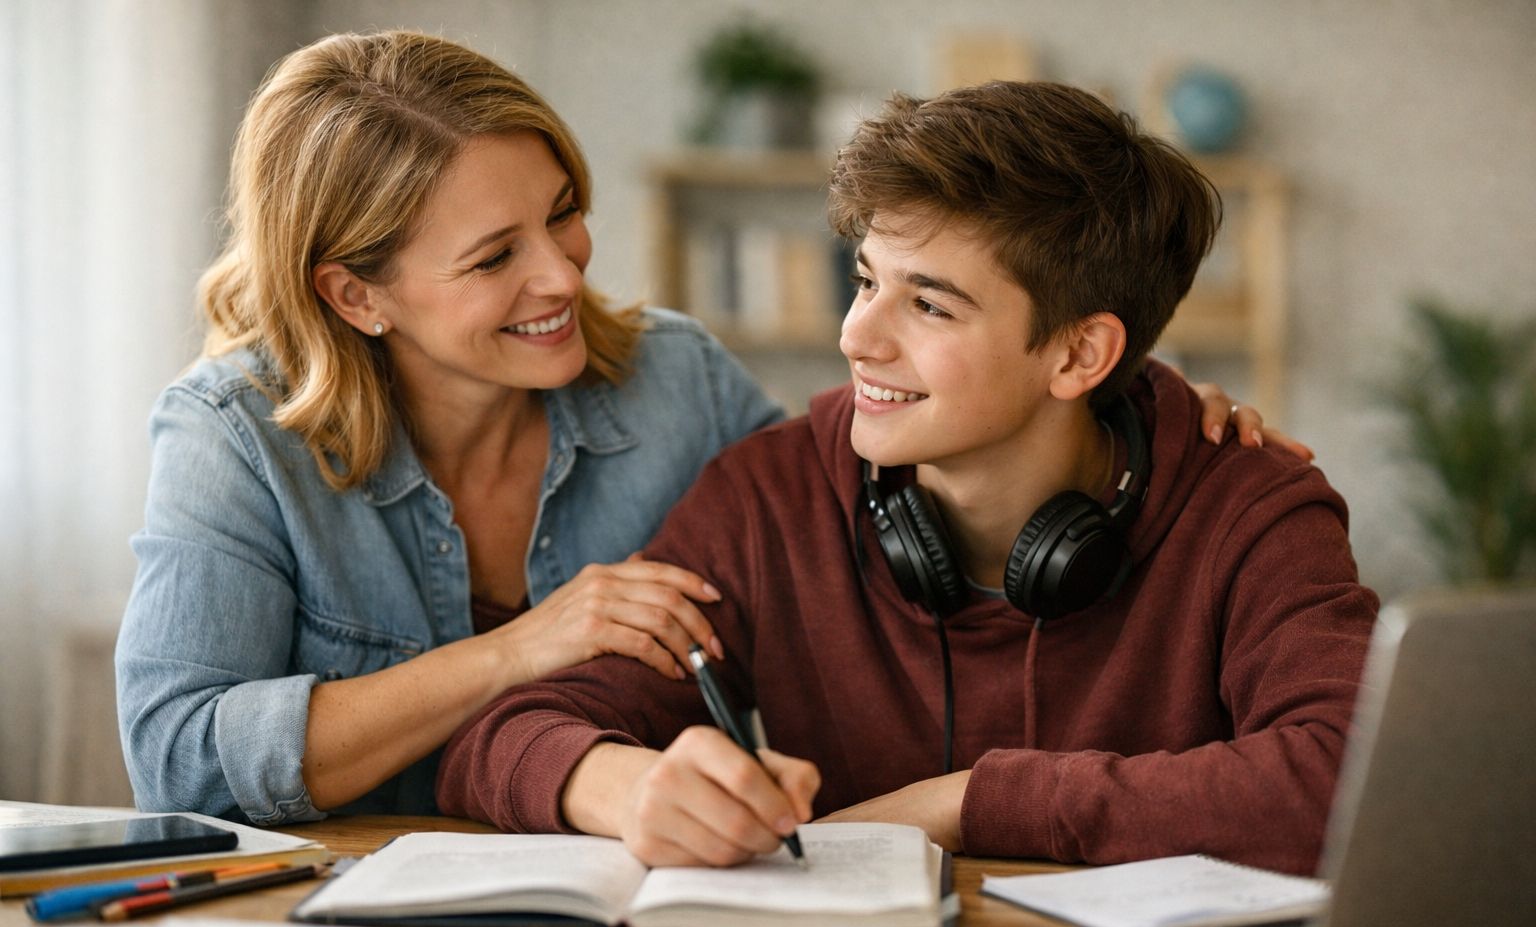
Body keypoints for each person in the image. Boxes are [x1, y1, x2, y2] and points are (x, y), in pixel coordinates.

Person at [116, 32, 1289, 828]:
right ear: (356, 295)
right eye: (493, 256)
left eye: (564, 215)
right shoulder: (233, 434)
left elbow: (865, 481)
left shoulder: (673, 381)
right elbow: (177, 761)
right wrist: (528, 660)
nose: (562, 274)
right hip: (317, 906)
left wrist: (1139, 406)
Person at [436, 82, 1378, 877]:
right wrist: (629, 787)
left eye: (929, 304)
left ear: (1079, 355)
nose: (857, 337)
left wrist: (966, 803)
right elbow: (504, 735)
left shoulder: (1252, 506)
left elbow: (1354, 780)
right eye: (865, 280)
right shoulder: (773, 494)